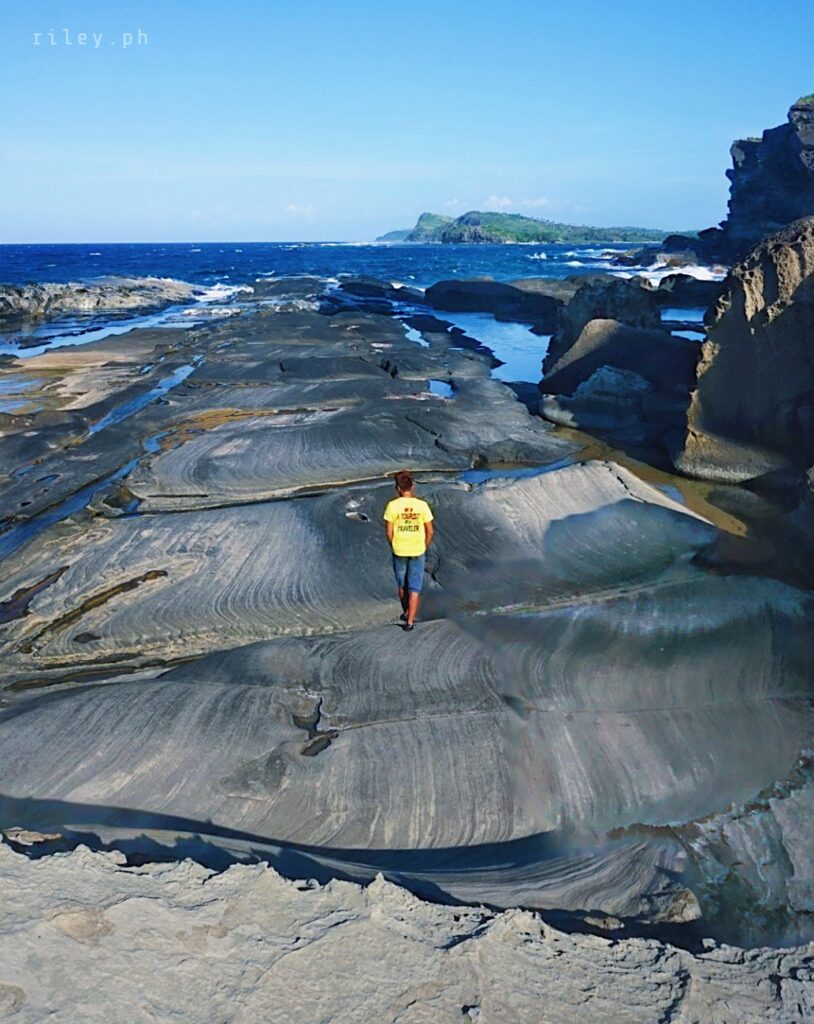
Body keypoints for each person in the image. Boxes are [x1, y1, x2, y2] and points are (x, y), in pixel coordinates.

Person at [383, 470, 434, 631]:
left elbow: (389, 531)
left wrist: (393, 544)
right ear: (412, 487)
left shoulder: (392, 506)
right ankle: (410, 621)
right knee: (415, 587)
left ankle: (406, 611)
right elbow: (430, 531)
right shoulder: (421, 505)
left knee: (402, 584)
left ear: (398, 488)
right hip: (417, 549)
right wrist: (424, 545)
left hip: (399, 549)